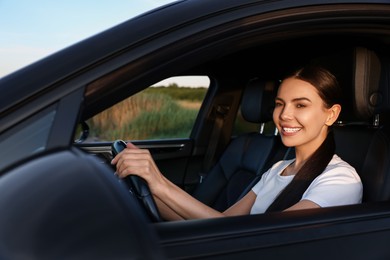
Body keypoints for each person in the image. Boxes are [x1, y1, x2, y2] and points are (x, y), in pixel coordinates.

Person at [111, 65, 363, 221]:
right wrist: (148, 191)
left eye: (300, 105)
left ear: (331, 114)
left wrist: (160, 183)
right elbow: (223, 223)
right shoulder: (277, 169)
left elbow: (267, 238)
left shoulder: (340, 179)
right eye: (279, 104)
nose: (284, 115)